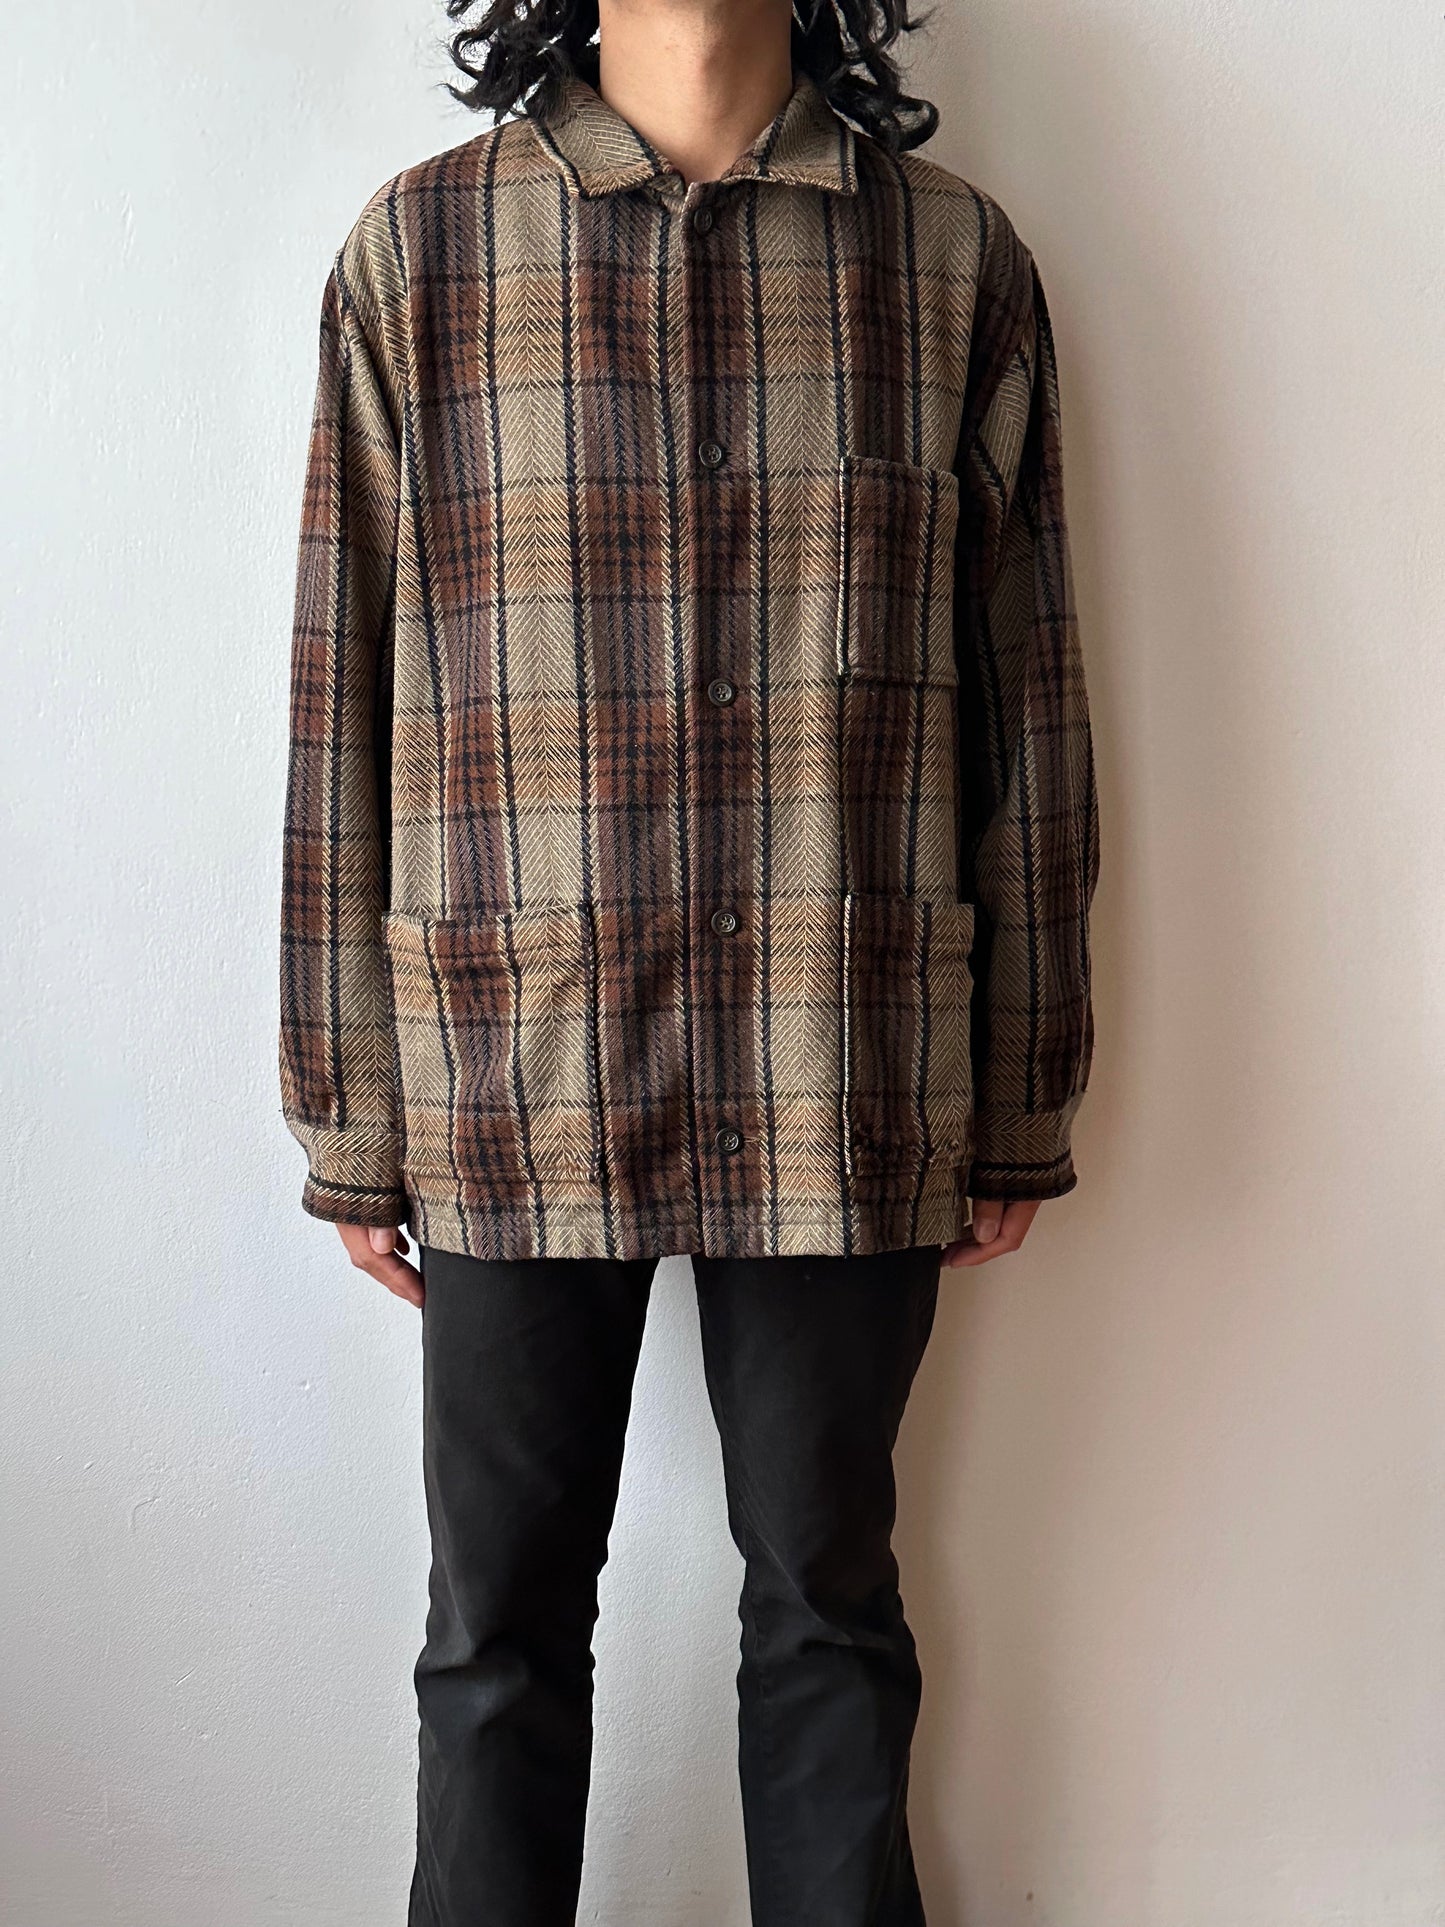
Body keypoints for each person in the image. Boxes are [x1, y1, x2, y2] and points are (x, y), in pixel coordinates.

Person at [277, 0, 1100, 1919]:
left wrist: (1019, 1083)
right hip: (516, 1059)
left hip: (843, 1050)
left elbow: (1027, 695)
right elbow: (342, 694)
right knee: (495, 1630)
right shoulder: (424, 252)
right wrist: (348, 1109)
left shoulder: (949, 263)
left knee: (829, 1608)